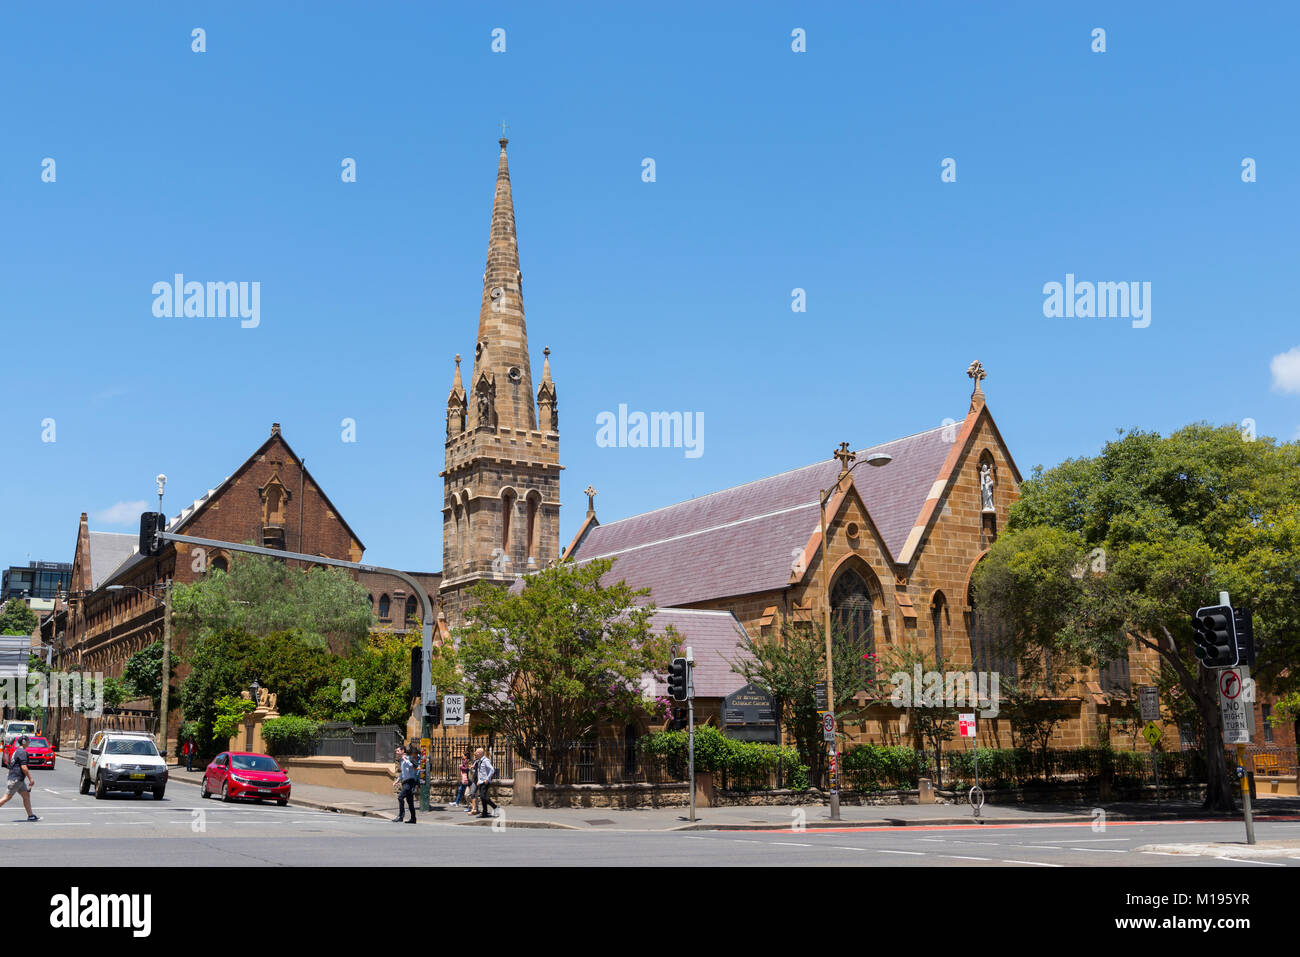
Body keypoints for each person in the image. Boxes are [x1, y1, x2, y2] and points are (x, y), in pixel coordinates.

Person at [0, 735, 38, 822]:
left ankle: (31, 815)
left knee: (26, 796)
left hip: (17, 779)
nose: (29, 742)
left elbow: (10, 766)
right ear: (24, 742)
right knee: (6, 798)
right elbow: (24, 767)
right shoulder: (22, 752)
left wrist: (9, 777)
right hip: (16, 779)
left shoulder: (16, 751)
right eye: (28, 741)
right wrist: (30, 779)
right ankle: (30, 815)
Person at [393, 745, 418, 823]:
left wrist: (406, 760)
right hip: (405, 782)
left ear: (403, 751)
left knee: (400, 797)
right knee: (409, 801)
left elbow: (413, 766)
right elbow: (403, 773)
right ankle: (413, 818)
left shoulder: (408, 758)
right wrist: (397, 780)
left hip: (410, 781)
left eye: (398, 751)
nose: (396, 752)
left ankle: (401, 816)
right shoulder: (401, 760)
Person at [475, 747, 498, 819]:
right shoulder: (479, 761)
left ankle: (495, 807)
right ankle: (484, 813)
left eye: (477, 752)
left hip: (486, 781)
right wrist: (479, 781)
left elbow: (492, 770)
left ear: (481, 753)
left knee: (482, 796)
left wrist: (487, 779)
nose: (475, 753)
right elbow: (480, 772)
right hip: (481, 781)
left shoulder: (486, 761)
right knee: (482, 798)